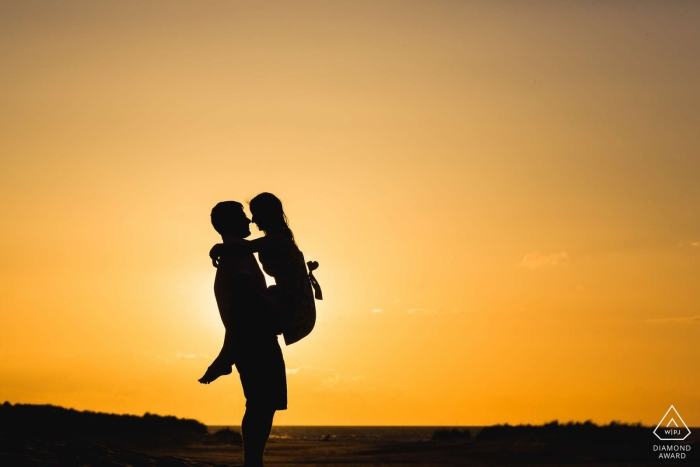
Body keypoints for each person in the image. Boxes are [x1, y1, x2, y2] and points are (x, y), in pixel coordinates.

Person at [199, 201, 287, 467]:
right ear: (228, 224)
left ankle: (253, 462)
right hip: (256, 338)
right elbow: (243, 298)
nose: (250, 221)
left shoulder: (237, 252)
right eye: (242, 217)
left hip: (251, 337)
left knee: (262, 403)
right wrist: (273, 307)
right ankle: (253, 463)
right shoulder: (236, 256)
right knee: (262, 403)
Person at [209, 193, 320, 349]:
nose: (252, 220)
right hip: (287, 299)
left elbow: (246, 247)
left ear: (266, 214)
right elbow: (248, 246)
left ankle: (233, 349)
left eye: (255, 214)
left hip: (294, 305)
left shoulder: (278, 240)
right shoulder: (275, 240)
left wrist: (220, 248)